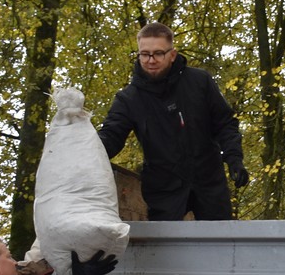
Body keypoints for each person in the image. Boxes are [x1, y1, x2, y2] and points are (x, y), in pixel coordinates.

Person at [97, 22, 248, 220]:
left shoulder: (200, 82)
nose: (151, 60)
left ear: (172, 54)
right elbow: (111, 136)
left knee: (220, 246)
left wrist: (234, 158)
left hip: (209, 184)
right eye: (145, 54)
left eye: (158, 53)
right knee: (164, 249)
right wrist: (86, 151)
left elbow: (225, 124)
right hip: (164, 190)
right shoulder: (129, 99)